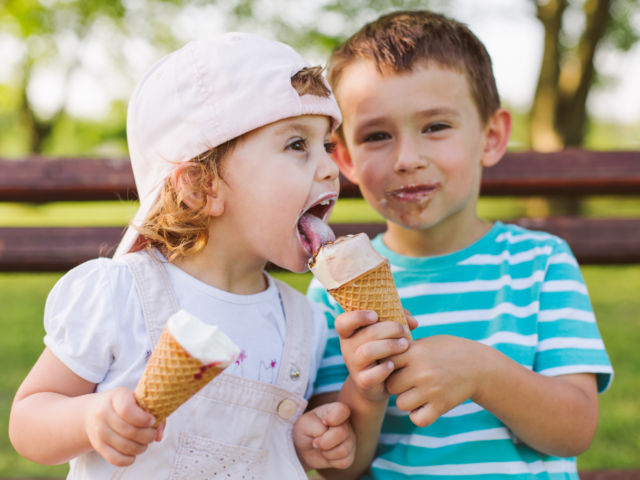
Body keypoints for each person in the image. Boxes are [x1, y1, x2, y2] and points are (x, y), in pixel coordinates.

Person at [9, 32, 357, 479]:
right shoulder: (123, 295)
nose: (331, 167)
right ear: (201, 187)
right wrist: (89, 418)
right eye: (296, 145)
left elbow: (261, 444)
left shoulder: (304, 323)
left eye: (326, 145)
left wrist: (308, 439)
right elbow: (27, 419)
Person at [307, 10, 614, 479]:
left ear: (490, 137)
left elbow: (575, 429)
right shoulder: (335, 290)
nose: (407, 159)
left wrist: (482, 372)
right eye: (377, 136)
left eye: (435, 127)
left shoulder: (541, 264)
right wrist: (364, 392)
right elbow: (338, 469)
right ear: (345, 157)